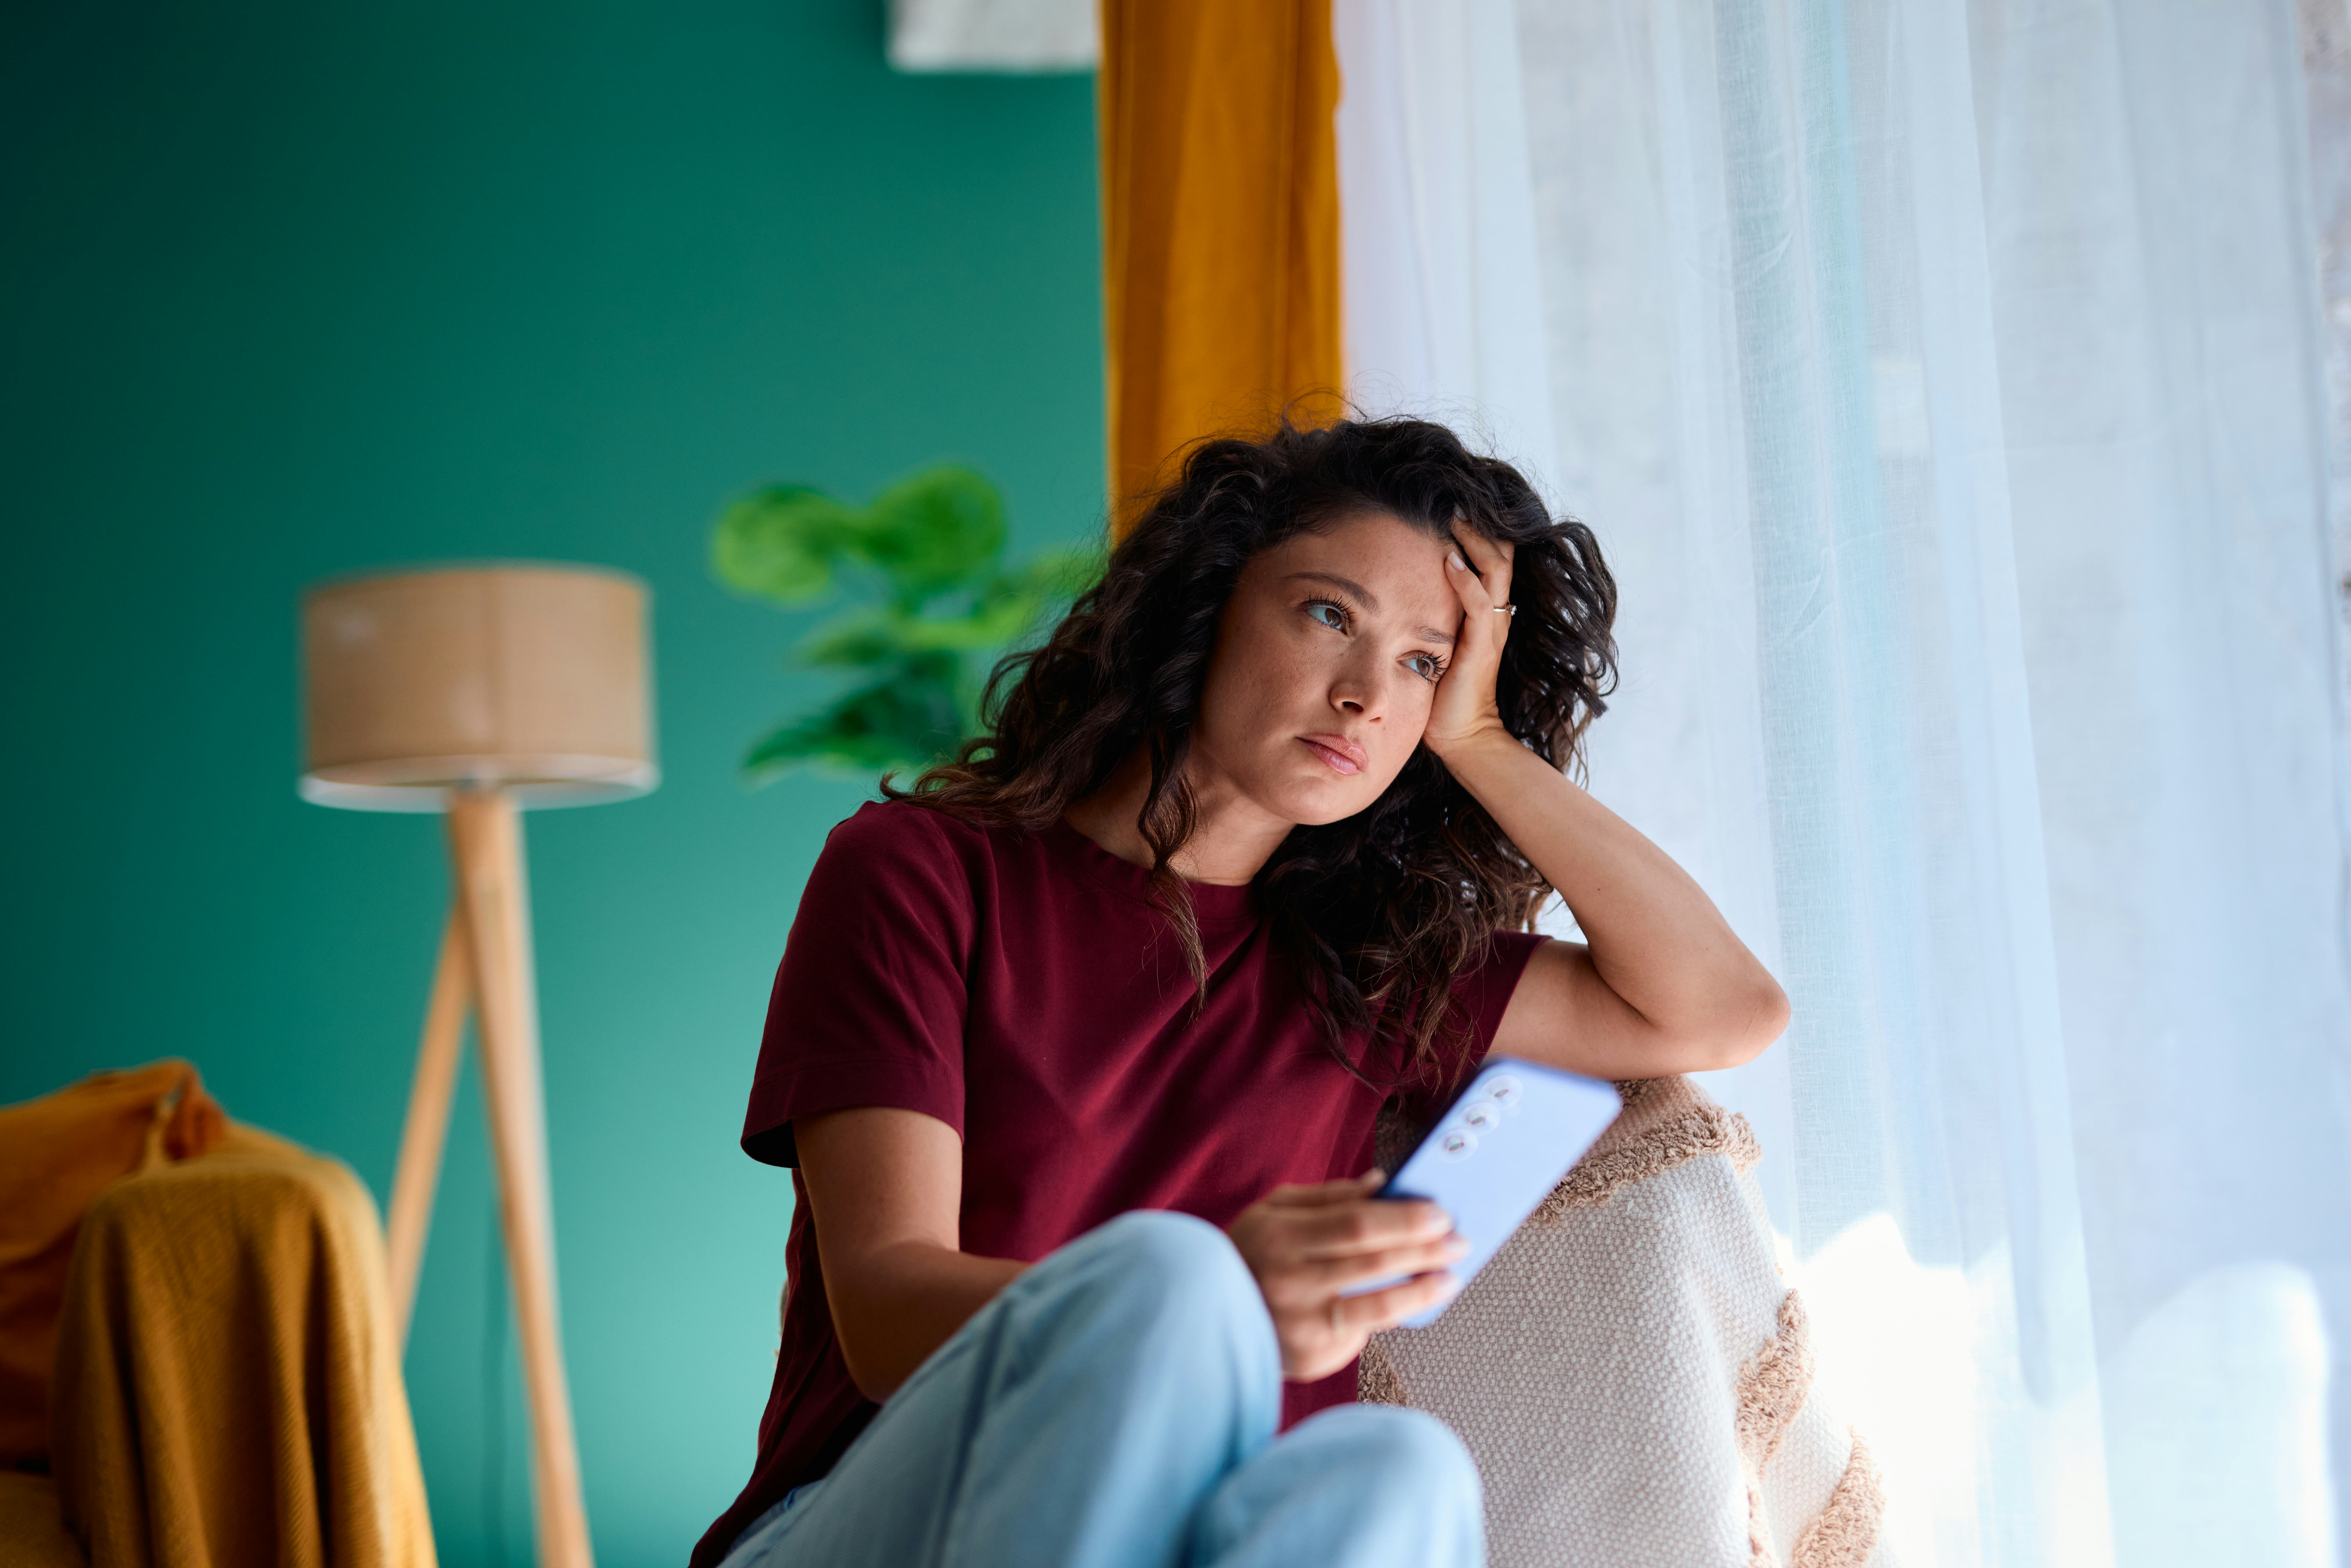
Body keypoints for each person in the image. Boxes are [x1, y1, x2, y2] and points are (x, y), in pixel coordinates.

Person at [693, 417, 1789, 1568]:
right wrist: (1215, 1310)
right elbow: (881, 1311)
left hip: (1186, 1544)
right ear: (1206, 607)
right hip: (869, 1520)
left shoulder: (1369, 973)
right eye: (1329, 615)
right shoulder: (920, 873)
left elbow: (1720, 1010)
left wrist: (1477, 741)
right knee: (1169, 1277)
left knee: (1398, 1471)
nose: (1368, 693)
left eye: (1424, 661)